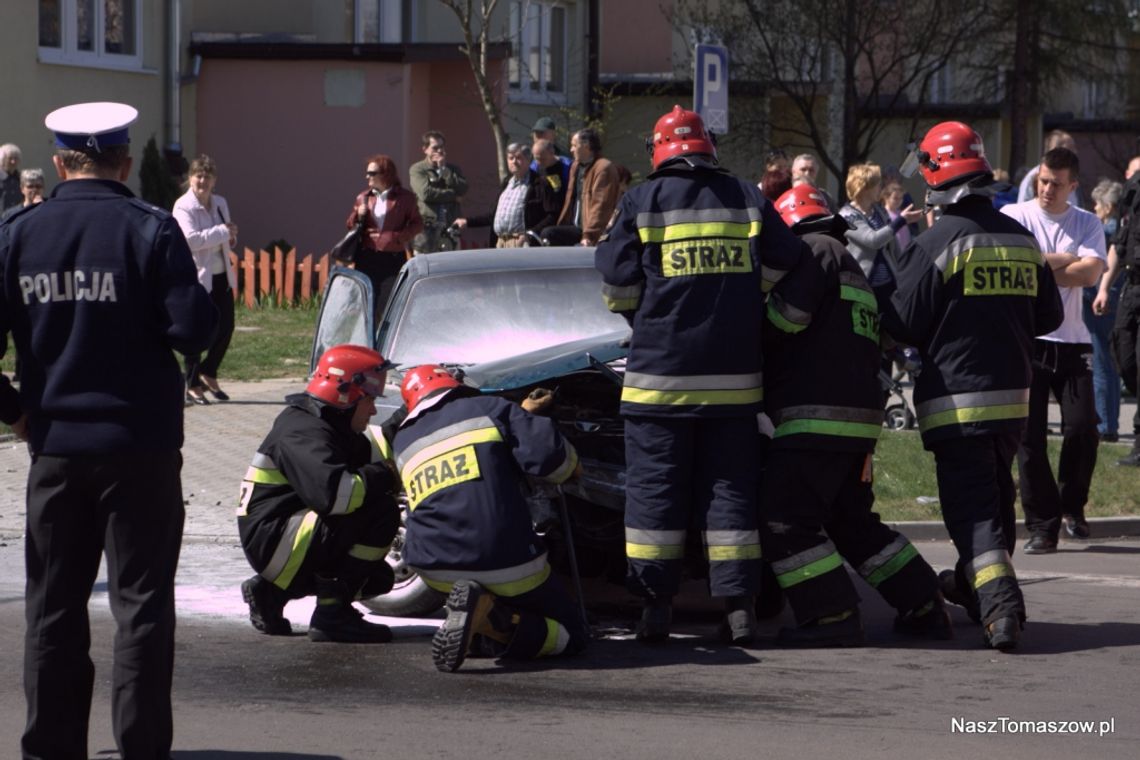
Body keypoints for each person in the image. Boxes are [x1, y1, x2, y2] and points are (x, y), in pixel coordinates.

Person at [0, 102, 217, 760]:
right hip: (141, 451)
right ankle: (142, 748)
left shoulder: (17, 233)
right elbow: (194, 331)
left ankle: (50, 749)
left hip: (57, 450)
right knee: (143, 607)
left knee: (54, 608)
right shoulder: (150, 229)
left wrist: (15, 412)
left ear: (62, 163)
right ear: (124, 162)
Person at [595, 105, 811, 644]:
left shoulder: (641, 201)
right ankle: (738, 612)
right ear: (707, 148)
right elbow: (789, 259)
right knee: (730, 496)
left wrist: (648, 316)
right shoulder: (744, 196)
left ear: (659, 151)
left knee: (654, 498)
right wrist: (745, 302)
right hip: (735, 385)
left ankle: (655, 613)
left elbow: (617, 283)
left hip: (658, 386)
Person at [883, 121, 1063, 651]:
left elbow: (901, 322)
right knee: (995, 498)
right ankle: (968, 584)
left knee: (974, 510)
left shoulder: (937, 241)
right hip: (1013, 402)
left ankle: (1001, 606)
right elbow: (1048, 314)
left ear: (937, 177)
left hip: (956, 405)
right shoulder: (1022, 238)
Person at [761, 184, 949, 646]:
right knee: (850, 521)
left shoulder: (815, 250)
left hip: (813, 420)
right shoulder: (852, 268)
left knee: (783, 518)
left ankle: (831, 614)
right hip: (855, 422)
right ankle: (923, 602)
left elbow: (785, 322)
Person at [393, 365, 588, 672]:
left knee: (498, 593)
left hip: (432, 567)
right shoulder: (492, 408)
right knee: (572, 635)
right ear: (456, 384)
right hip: (505, 561)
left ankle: (482, 629)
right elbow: (557, 465)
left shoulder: (403, 440)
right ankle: (497, 619)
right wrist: (531, 418)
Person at [236, 344, 401, 643]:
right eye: (370, 402)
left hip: (284, 537)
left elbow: (375, 450)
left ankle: (272, 592)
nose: (374, 410)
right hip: (274, 541)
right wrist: (386, 475)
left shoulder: (328, 424)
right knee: (381, 512)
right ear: (349, 396)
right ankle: (332, 615)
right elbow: (337, 495)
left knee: (378, 579)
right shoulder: (303, 433)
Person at [1002, 147, 1106, 549]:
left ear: (1073, 186)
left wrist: (1042, 265)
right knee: (1030, 437)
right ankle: (1042, 525)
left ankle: (1072, 507)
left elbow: (1090, 272)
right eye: (1043, 181)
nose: (1046, 189)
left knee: (1083, 428)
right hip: (1029, 340)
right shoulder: (1016, 216)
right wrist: (1064, 259)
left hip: (1073, 340)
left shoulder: (1086, 222)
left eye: (1056, 184)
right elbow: (1017, 267)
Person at [173, 154, 239, 405]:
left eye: (207, 176)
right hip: (197, 277)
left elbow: (223, 236)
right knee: (198, 330)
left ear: (214, 180)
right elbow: (190, 240)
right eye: (198, 175)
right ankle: (192, 384)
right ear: (190, 179)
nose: (203, 180)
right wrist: (223, 232)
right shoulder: (183, 206)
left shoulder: (220, 202)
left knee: (226, 327)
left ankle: (209, 371)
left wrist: (231, 236)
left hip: (221, 273)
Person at [344, 154, 423, 312]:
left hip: (392, 256)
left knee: (390, 303)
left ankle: (386, 335)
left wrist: (401, 238)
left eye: (372, 173)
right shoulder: (363, 197)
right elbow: (350, 225)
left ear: (386, 174)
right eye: (367, 173)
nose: (368, 176)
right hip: (367, 256)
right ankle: (369, 336)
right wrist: (358, 214)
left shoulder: (405, 198)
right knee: (367, 302)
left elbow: (417, 223)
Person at [1082, 179, 1125, 442]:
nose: (1095, 208)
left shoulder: (1105, 231)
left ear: (1107, 206)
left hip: (1099, 300)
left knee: (1101, 364)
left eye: (1097, 203)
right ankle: (1110, 422)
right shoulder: (1123, 229)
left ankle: (1104, 425)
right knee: (1110, 365)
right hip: (1116, 301)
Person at [456, 142, 562, 247]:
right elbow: (493, 216)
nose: (514, 162)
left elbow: (552, 216)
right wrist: (468, 222)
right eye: (511, 158)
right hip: (500, 242)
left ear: (529, 160)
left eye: (518, 158)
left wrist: (530, 235)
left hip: (522, 243)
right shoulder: (506, 183)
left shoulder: (540, 183)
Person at [1105, 156, 1140, 465]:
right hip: (1132, 285)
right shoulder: (1132, 198)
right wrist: (1104, 286)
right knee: (1125, 357)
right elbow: (1119, 244)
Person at [840, 164, 923, 290]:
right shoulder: (846, 216)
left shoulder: (878, 211)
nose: (881, 188)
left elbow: (892, 244)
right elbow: (873, 240)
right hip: (861, 286)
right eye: (877, 184)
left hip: (888, 283)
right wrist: (901, 221)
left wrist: (904, 268)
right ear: (865, 188)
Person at [544, 128, 620, 246]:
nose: (571, 149)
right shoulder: (576, 167)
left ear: (586, 146)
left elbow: (600, 206)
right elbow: (570, 200)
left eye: (574, 145)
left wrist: (588, 235)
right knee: (547, 236)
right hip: (575, 226)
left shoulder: (603, 168)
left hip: (590, 232)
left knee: (549, 234)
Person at [409, 130, 468, 253]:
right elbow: (426, 194)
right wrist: (452, 195)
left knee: (451, 269)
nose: (439, 151)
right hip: (427, 231)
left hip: (450, 230)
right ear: (425, 149)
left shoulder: (453, 169)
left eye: (441, 147)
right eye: (435, 148)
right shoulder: (418, 169)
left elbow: (463, 189)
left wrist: (444, 170)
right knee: (425, 269)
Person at [1017, 129, 1084, 208]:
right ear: (1055, 150)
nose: (1075, 152)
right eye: (1070, 148)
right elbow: (1023, 209)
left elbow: (1079, 208)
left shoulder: (1072, 178)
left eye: (1057, 184)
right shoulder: (1033, 177)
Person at [530, 115, 572, 185]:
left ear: (553, 134)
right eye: (536, 133)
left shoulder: (565, 162)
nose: (538, 136)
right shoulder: (527, 159)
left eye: (541, 133)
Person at [880, 180, 912, 251]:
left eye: (901, 198)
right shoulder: (884, 214)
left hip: (907, 249)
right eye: (895, 198)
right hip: (896, 252)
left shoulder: (901, 212)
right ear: (886, 197)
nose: (899, 201)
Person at [1, 142, 22, 211]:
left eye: (16, 158)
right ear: (2, 160)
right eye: (10, 158)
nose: (13, 162)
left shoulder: (21, 178)